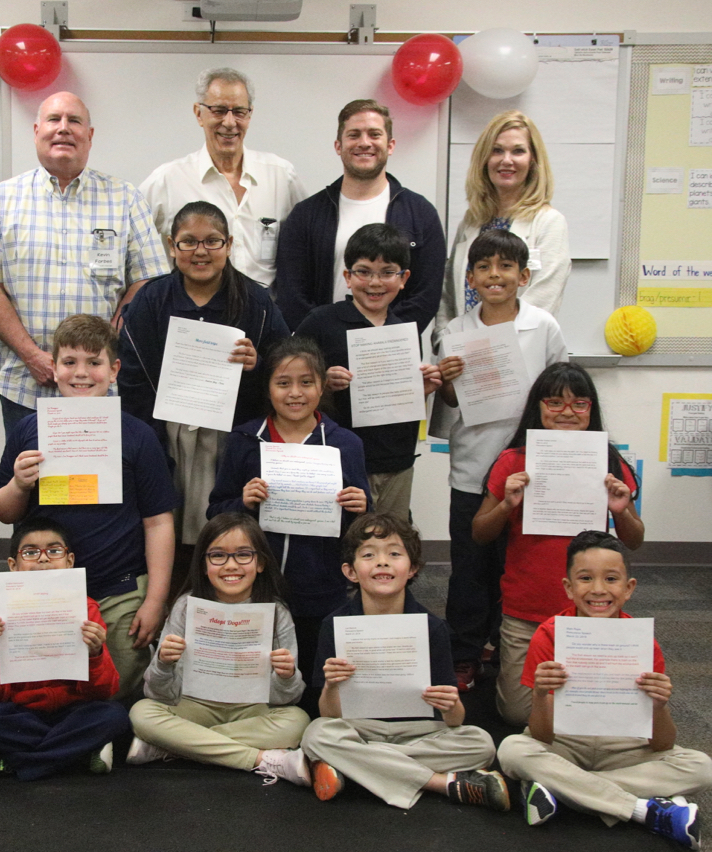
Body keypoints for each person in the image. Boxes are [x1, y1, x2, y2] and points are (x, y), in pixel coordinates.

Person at [0, 90, 168, 444]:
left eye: (74, 121)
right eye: (54, 120)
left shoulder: (125, 198)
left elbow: (146, 280)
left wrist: (106, 344)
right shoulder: (2, 199)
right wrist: (33, 356)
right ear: (36, 130)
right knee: (31, 489)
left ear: (90, 135)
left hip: (100, 384)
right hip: (25, 384)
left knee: (95, 490)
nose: (63, 129)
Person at [0, 314, 178, 703]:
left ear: (114, 371)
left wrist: (156, 599)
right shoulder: (29, 430)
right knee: (47, 691)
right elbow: (3, 511)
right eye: (70, 362)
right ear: (53, 368)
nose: (81, 373)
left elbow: (158, 521)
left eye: (94, 363)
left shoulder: (138, 435)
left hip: (120, 589)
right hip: (45, 592)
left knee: (118, 692)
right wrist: (19, 484)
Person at [497, 531, 712, 849]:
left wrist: (659, 705)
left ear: (628, 589)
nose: (598, 589)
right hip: (565, 743)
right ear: (569, 588)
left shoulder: (642, 642)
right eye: (585, 578)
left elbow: (663, 743)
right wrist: (540, 695)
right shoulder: (549, 636)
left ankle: (560, 791)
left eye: (611, 579)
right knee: (512, 750)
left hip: (623, 748)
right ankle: (645, 810)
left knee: (701, 768)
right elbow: (542, 735)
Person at [472, 362, 644, 726]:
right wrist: (506, 504)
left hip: (592, 608)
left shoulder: (608, 461)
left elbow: (635, 539)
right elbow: (480, 533)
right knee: (518, 714)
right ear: (538, 407)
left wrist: (621, 509)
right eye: (554, 403)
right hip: (525, 610)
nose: (567, 412)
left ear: (591, 410)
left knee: (593, 711)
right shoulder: (513, 460)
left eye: (579, 404)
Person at [434, 229, 568, 692]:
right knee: (470, 569)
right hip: (473, 470)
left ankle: (505, 647)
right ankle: (466, 653)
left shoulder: (544, 326)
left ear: (524, 276)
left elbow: (561, 393)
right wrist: (447, 381)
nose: (495, 275)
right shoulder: (454, 332)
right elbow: (450, 401)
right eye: (485, 267)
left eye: (506, 266)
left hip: (531, 473)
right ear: (470, 277)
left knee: (518, 567)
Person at [207, 335, 371, 713]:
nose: (295, 393)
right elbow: (215, 512)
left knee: (313, 687)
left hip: (320, 586)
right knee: (257, 684)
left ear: (321, 386)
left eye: (306, 382)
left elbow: (362, 525)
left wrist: (361, 507)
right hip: (255, 588)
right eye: (283, 383)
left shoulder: (345, 444)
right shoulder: (246, 440)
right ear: (267, 388)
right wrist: (243, 502)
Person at [299, 513, 506, 810]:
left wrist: (451, 703)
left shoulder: (431, 627)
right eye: (369, 555)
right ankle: (443, 783)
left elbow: (454, 721)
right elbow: (329, 715)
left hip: (418, 732)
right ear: (350, 571)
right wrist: (332, 686)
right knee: (317, 733)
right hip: (359, 728)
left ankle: (357, 766)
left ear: (413, 569)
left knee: (481, 743)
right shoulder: (335, 625)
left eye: (394, 554)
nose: (382, 562)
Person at [119, 201, 289, 553]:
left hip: (232, 433)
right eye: (188, 242)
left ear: (228, 244)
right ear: (171, 246)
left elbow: (286, 367)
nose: (201, 252)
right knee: (165, 527)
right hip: (165, 431)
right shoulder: (151, 300)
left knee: (226, 531)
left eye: (212, 241)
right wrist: (149, 444)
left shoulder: (255, 301)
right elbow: (131, 379)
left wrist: (258, 365)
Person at [127, 513, 311, 787]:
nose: (231, 565)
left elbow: (288, 699)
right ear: (203, 565)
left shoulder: (277, 613)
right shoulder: (186, 606)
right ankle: (262, 759)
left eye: (243, 555)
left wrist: (286, 676)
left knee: (298, 720)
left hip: (252, 711)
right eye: (218, 556)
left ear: (260, 563)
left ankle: (174, 746)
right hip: (195, 706)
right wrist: (163, 663)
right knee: (141, 712)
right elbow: (156, 693)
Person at [0, 517, 131, 782]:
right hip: (19, 713)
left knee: (114, 716)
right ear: (13, 566)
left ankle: (11, 762)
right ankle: (76, 755)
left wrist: (96, 655)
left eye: (54, 551)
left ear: (70, 561)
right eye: (30, 552)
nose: (43, 559)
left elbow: (105, 690)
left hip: (71, 712)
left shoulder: (86, 609)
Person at [294, 223, 443, 521]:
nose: (375, 282)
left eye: (388, 272)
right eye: (364, 271)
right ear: (348, 277)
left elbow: (405, 399)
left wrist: (421, 390)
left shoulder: (404, 332)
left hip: (398, 459)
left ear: (404, 279)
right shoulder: (321, 322)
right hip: (340, 458)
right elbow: (288, 381)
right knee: (343, 543)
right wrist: (322, 383)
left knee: (389, 541)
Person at [275, 99, 444, 331]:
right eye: (354, 135)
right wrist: (325, 338)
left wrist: (382, 341)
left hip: (393, 353)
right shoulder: (306, 215)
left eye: (374, 134)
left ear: (391, 145)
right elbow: (291, 295)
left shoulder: (421, 213)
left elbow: (426, 295)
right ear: (338, 145)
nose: (364, 143)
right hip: (322, 356)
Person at [141, 68, 304, 288]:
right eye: (218, 110)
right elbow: (133, 247)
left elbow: (305, 248)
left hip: (266, 316)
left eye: (239, 111)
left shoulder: (281, 176)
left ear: (250, 114)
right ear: (199, 114)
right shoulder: (167, 181)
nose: (229, 122)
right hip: (195, 317)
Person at [435, 110, 570, 330]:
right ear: (484, 158)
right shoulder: (472, 221)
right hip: (462, 355)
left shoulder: (549, 222)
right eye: (497, 151)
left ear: (533, 159)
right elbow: (448, 297)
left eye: (518, 151)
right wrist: (447, 344)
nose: (506, 160)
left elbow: (543, 302)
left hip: (518, 352)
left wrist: (492, 349)